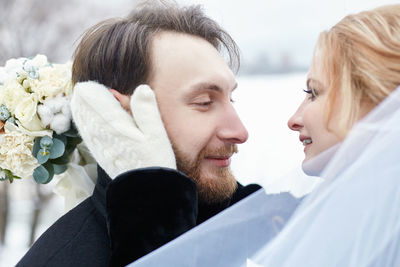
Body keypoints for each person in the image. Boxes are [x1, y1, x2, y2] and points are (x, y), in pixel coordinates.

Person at [17, 1, 301, 267]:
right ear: (115, 115)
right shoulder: (62, 260)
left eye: (231, 99)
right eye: (204, 102)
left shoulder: (251, 221)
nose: (240, 132)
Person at [124, 4, 400, 267]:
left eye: (314, 93)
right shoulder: (356, 220)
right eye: (205, 102)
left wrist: (151, 193)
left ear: (377, 103)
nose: (294, 120)